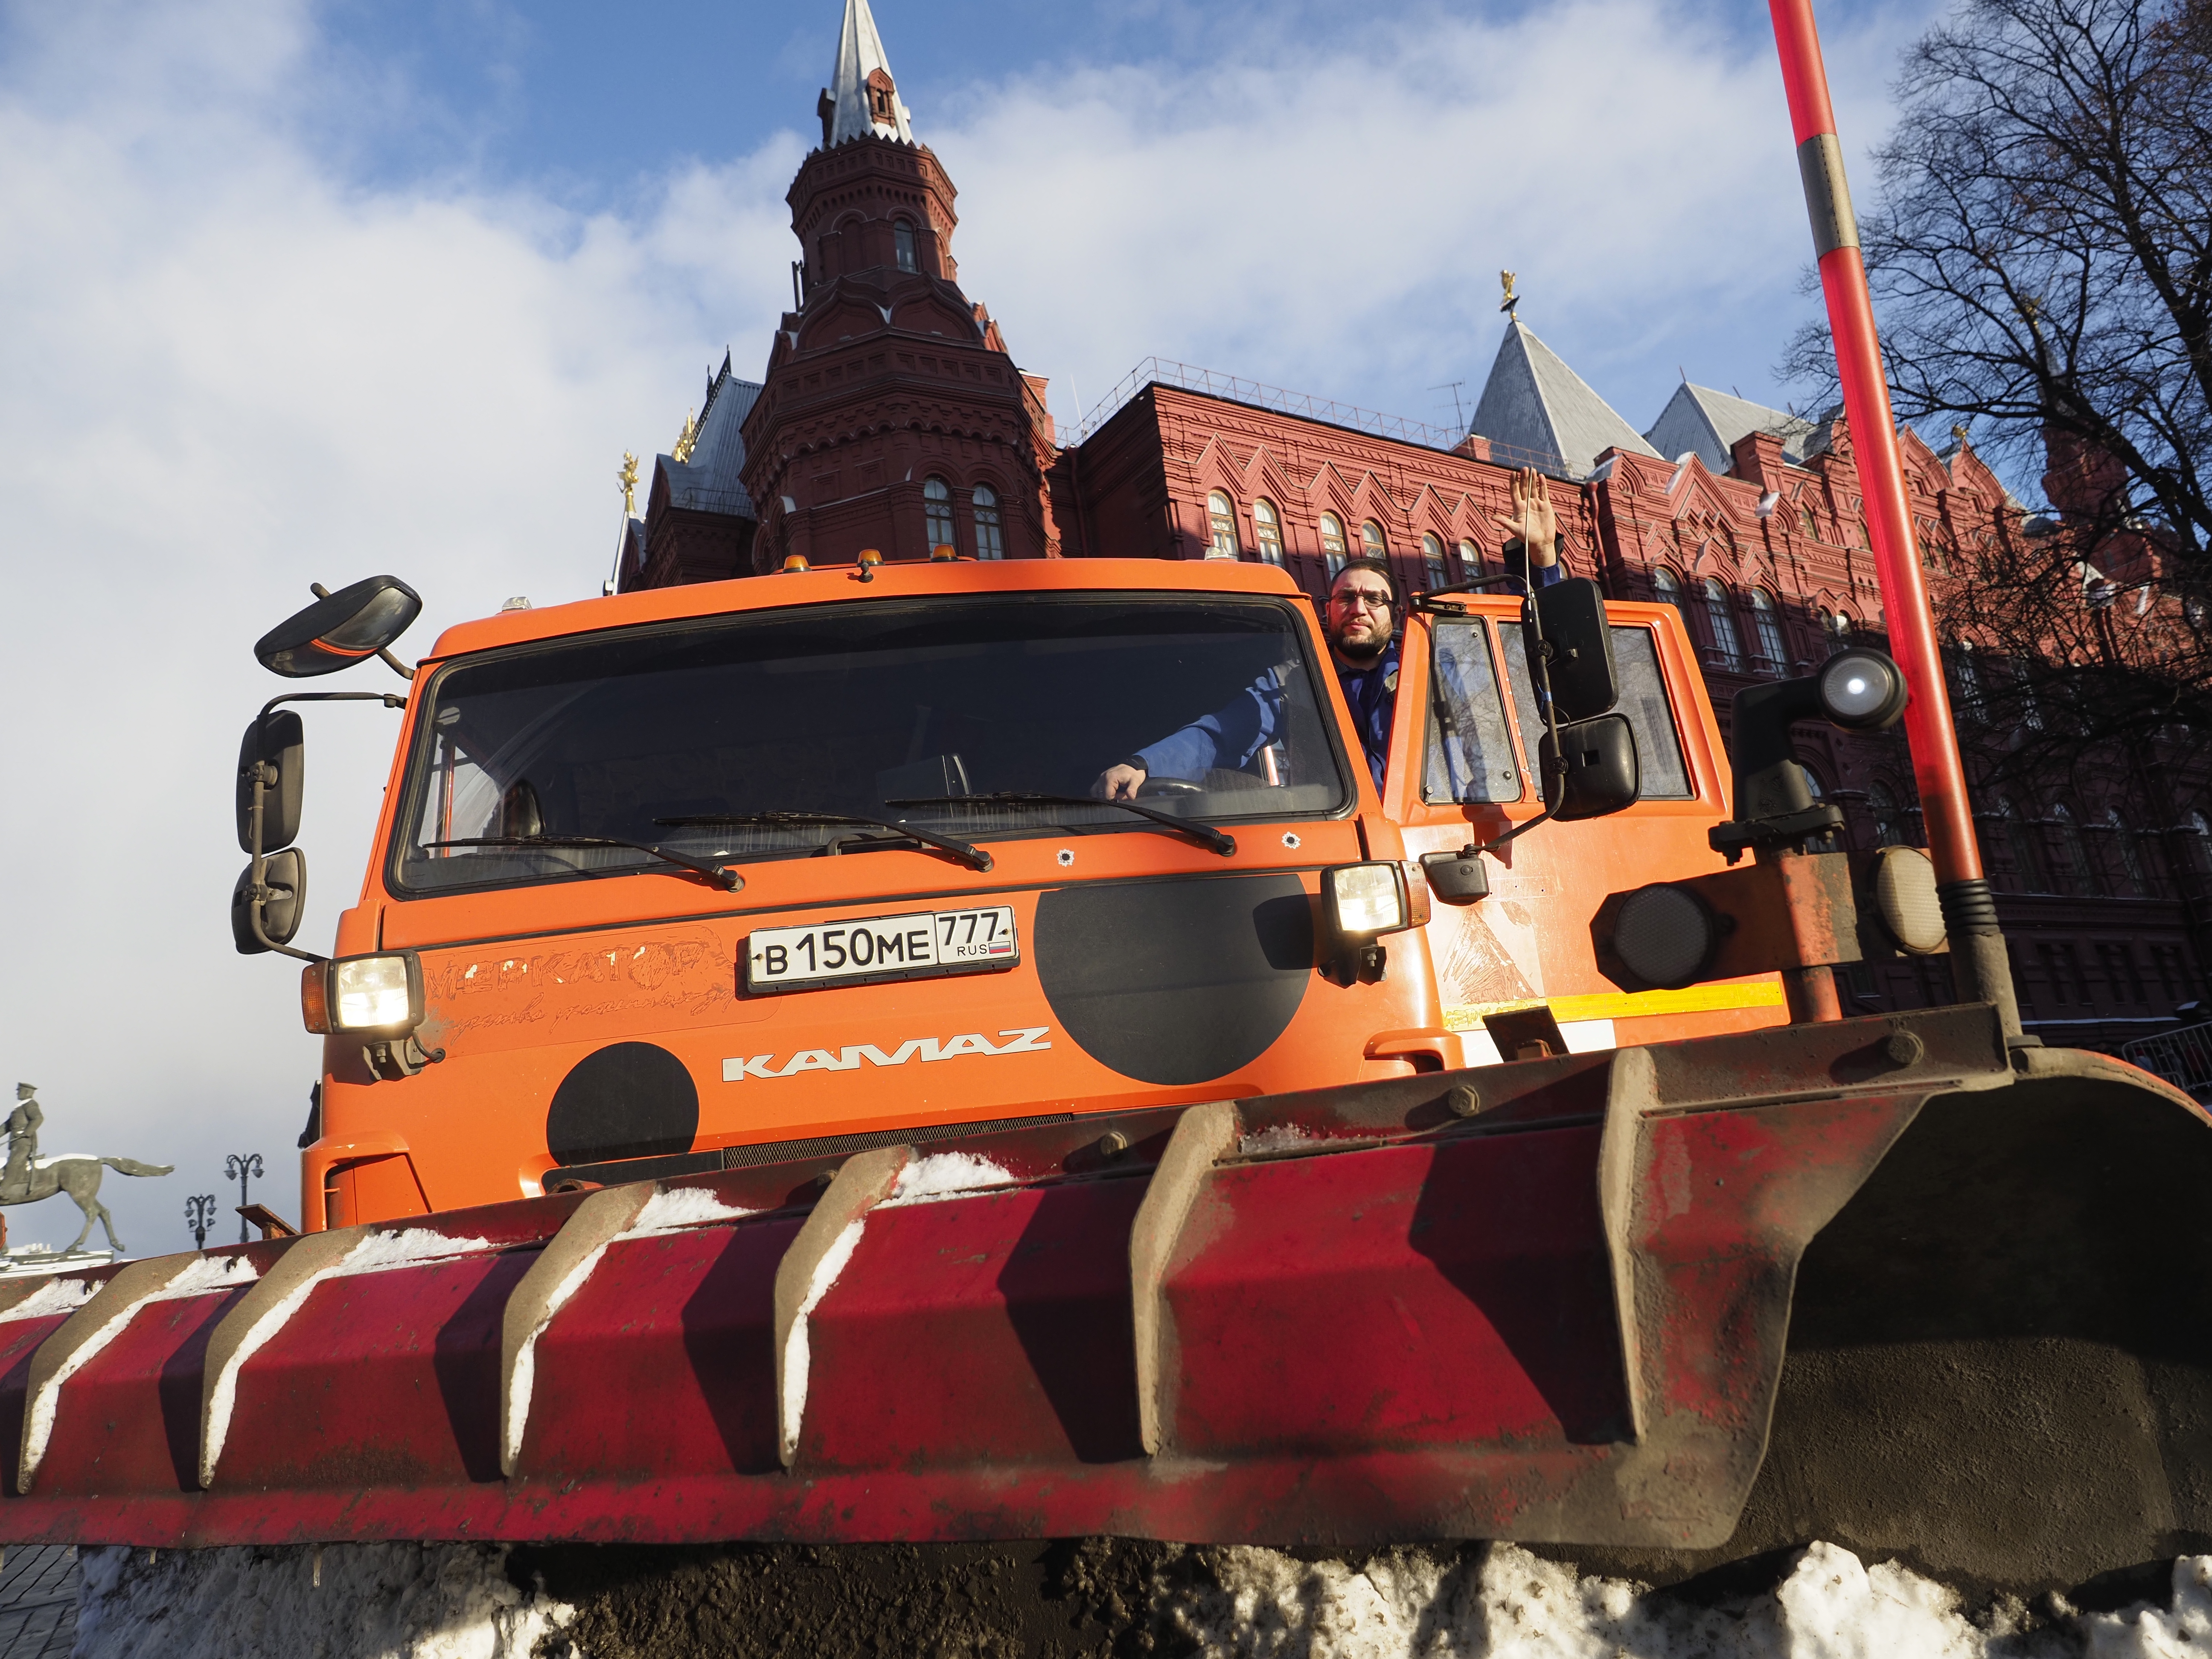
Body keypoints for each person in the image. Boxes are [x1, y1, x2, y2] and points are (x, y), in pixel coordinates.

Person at [1095, 467, 1566, 797]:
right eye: (1345, 598)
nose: (1358, 607)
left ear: (1395, 614)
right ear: (1328, 610)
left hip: (1441, 840)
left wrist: (1543, 562)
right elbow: (1219, 735)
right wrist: (1144, 764)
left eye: (1373, 599)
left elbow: (1533, 669)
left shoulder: (1436, 670)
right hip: (1344, 843)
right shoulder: (1295, 682)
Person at [3, 1084, 43, 1205]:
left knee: (14, 1163)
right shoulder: (19, 1108)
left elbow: (38, 1118)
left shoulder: (30, 1104)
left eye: (19, 1091)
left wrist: (27, 1133)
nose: (17, 1094)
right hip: (16, 1141)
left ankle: (3, 1190)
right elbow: (6, 1127)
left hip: (24, 1141)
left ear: (26, 1092)